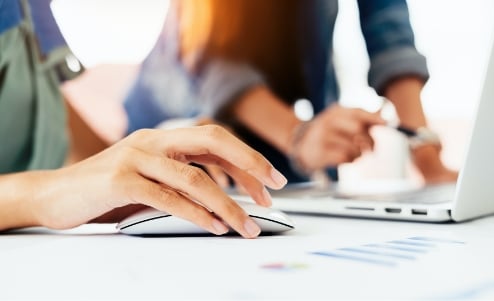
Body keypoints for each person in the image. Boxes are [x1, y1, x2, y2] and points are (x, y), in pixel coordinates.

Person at [0, 0, 288, 239]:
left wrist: (162, 154)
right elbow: (61, 186)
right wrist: (41, 197)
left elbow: (85, 165)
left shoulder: (32, 12)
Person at [123, 0, 458, 185]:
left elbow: (389, 29)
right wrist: (299, 136)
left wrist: (427, 157)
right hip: (179, 129)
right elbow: (213, 58)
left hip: (285, 142)